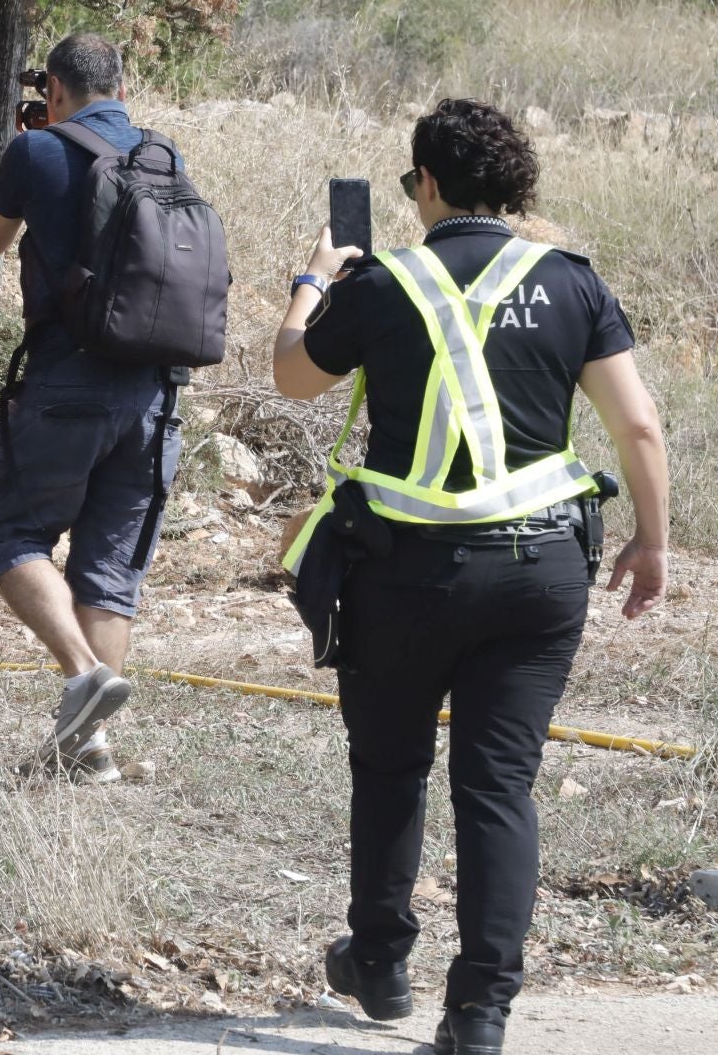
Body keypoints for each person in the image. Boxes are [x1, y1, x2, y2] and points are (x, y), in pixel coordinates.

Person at [271, 98, 669, 1055]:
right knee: (498, 787)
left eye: (413, 182)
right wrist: (652, 543)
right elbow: (639, 427)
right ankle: (481, 1015)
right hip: (540, 580)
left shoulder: (383, 283)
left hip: (404, 575)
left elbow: (291, 374)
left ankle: (380, 962)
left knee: (392, 767)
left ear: (433, 184)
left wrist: (313, 279)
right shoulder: (573, 281)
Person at [0, 32, 186, 785]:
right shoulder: (163, 154)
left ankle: (85, 671)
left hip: (66, 384)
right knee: (108, 569)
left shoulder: (38, 150)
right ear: (121, 86)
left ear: (55, 89)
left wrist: (24, 157)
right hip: (155, 392)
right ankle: (91, 751)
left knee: (4, 530)